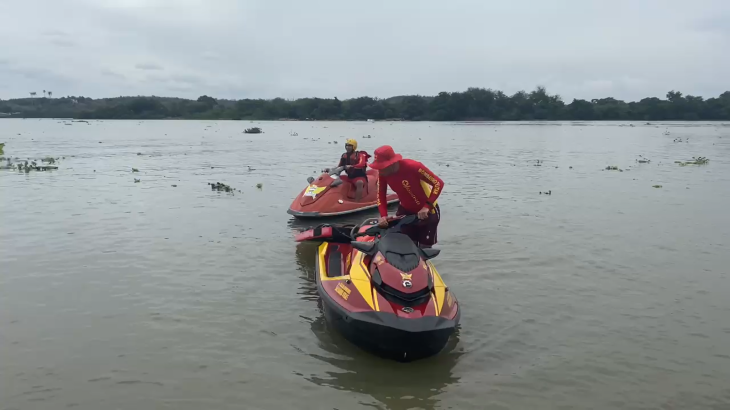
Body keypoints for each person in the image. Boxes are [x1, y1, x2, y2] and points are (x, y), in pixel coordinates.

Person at [369, 145, 444, 248]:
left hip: (428, 211)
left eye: (381, 167)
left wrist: (426, 207)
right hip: (406, 211)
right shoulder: (383, 174)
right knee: (405, 245)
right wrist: (383, 215)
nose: (379, 171)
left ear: (392, 163)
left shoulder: (414, 167)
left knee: (424, 248)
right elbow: (381, 195)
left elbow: (438, 183)